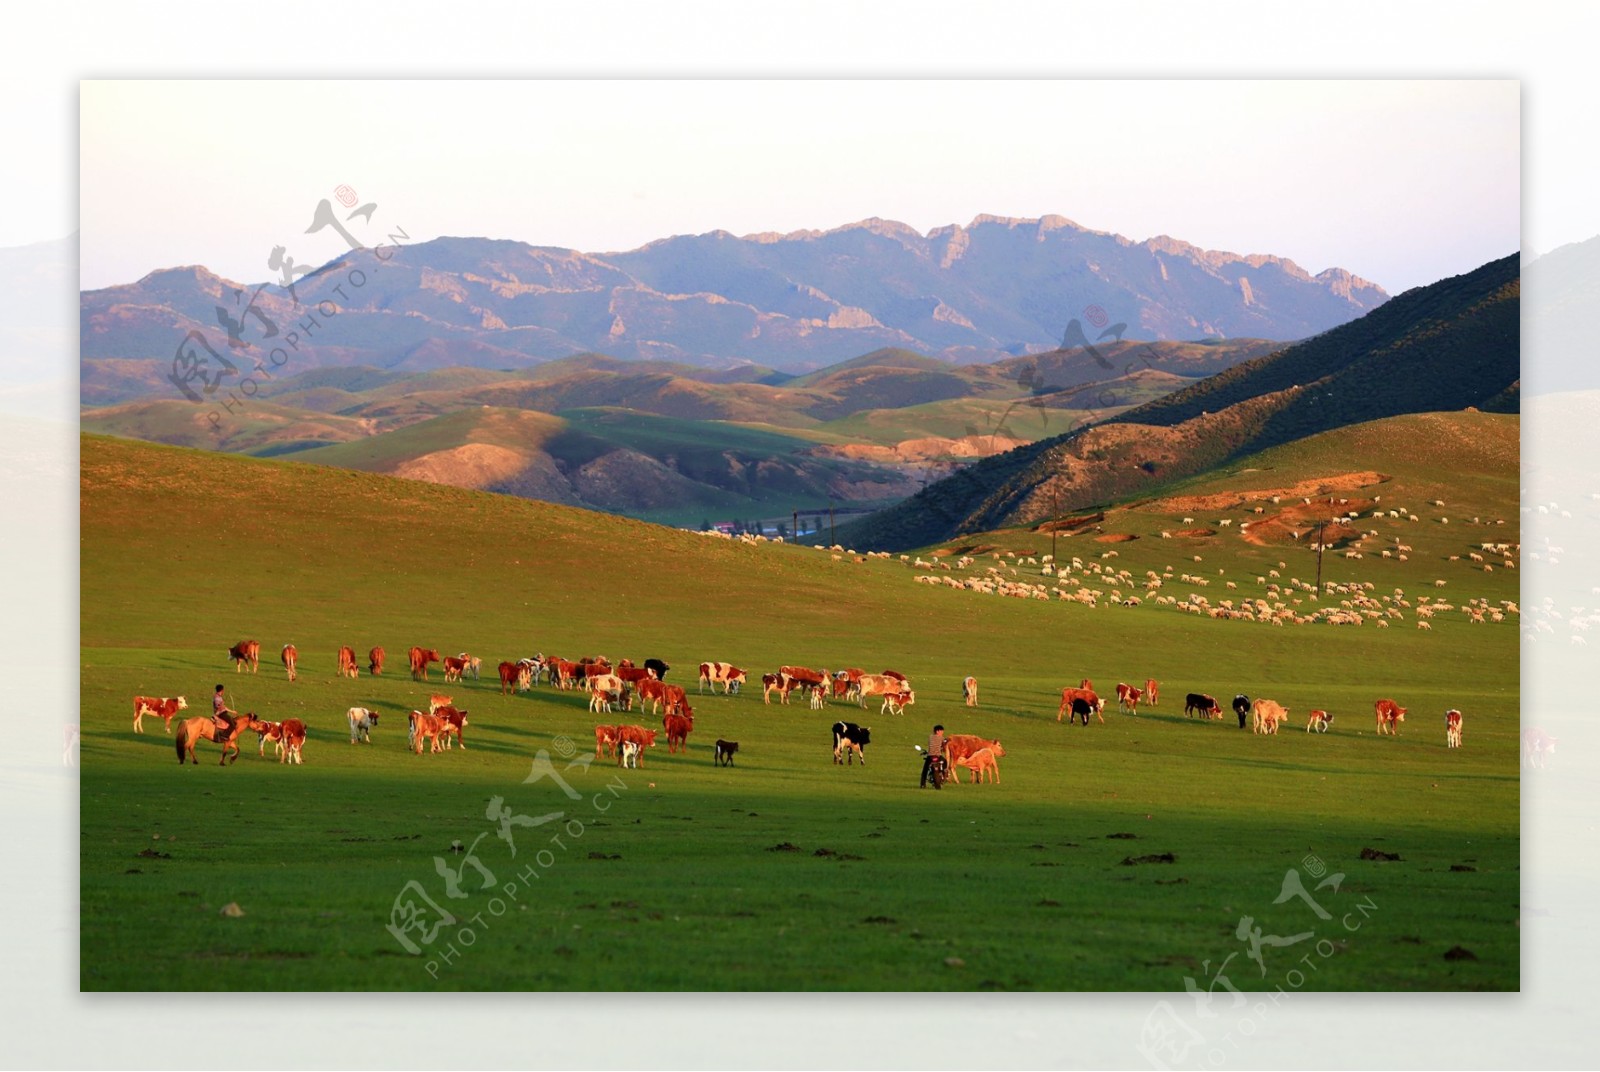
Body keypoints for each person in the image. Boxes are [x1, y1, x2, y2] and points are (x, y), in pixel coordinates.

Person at [920, 724, 948, 788]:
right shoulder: (941, 738)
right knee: (945, 761)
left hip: (930, 756)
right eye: (941, 731)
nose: (942, 733)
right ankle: (945, 772)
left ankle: (922, 784)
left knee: (925, 770)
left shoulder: (930, 737)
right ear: (937, 731)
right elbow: (943, 746)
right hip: (938, 756)